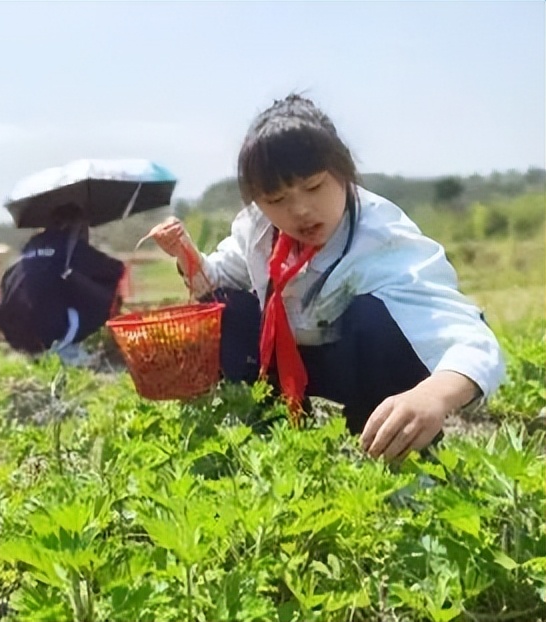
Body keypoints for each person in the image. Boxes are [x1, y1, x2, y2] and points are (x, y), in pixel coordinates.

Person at [149, 94, 505, 461]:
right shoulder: (257, 229)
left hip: (360, 364)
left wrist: (432, 396)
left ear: (343, 171)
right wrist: (185, 253)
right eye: (276, 198)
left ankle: (388, 442)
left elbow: (472, 341)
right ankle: (265, 434)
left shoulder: (382, 238)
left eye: (315, 186)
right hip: (301, 360)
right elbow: (219, 280)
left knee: (372, 318)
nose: (300, 210)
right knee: (226, 305)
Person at [0, 203, 125, 365]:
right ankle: (66, 343)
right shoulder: (69, 245)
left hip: (14, 335)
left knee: (60, 282)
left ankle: (37, 348)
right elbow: (115, 270)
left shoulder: (31, 245)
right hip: (50, 332)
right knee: (107, 289)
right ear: (77, 226)